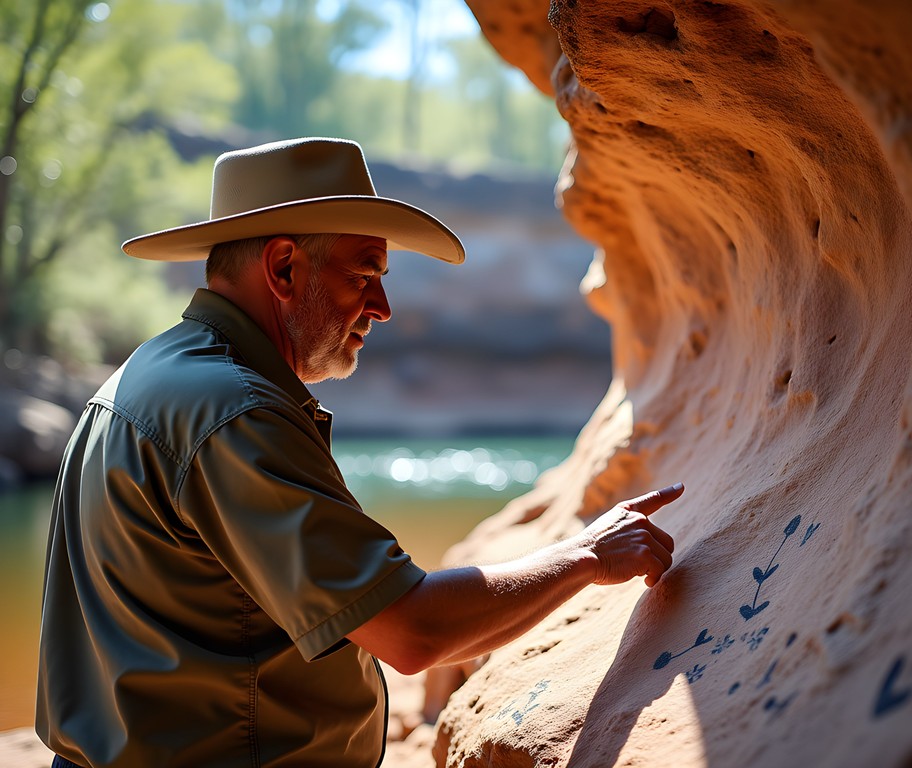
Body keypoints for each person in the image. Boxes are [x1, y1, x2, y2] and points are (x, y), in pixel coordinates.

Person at [36, 137, 682, 768]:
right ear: (284, 268)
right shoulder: (233, 410)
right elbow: (410, 630)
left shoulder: (151, 374)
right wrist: (587, 556)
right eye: (364, 273)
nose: (384, 307)